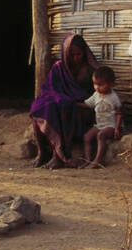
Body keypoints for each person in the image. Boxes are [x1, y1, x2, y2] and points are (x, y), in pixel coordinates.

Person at [29, 33, 98, 169]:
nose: (76, 58)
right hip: (63, 103)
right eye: (72, 55)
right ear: (66, 53)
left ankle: (58, 156)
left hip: (82, 109)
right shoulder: (59, 68)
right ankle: (42, 152)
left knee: (63, 109)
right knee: (40, 108)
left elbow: (96, 95)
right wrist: (61, 98)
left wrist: (70, 100)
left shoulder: (90, 70)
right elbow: (49, 89)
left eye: (79, 54)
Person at [83, 66, 123, 168]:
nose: (97, 87)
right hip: (100, 124)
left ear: (111, 84)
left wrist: (117, 129)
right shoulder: (96, 94)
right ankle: (87, 160)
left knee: (101, 136)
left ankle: (97, 161)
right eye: (95, 84)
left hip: (112, 125)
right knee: (87, 137)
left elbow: (119, 113)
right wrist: (73, 104)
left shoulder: (114, 97)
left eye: (101, 84)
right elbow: (88, 104)